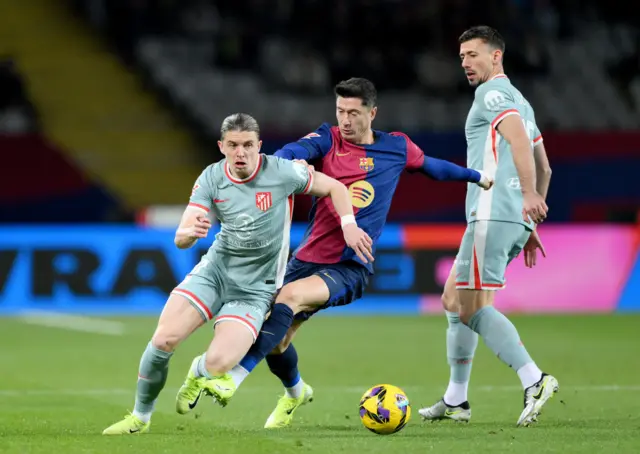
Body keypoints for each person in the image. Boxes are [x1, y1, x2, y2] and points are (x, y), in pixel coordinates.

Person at [178, 78, 494, 428]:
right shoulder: (327, 139)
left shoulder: (397, 148)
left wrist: (478, 176)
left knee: (290, 297)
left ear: (372, 113)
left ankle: (232, 377)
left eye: (354, 113)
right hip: (305, 258)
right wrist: (277, 170)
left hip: (350, 265)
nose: (345, 120)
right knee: (277, 340)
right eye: (341, 111)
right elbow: (289, 153)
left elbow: (434, 167)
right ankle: (296, 393)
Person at [102, 112, 371, 435]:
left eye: (247, 145)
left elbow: (336, 188)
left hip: (256, 290)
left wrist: (349, 225)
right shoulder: (211, 177)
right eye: (232, 145)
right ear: (221, 146)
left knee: (216, 366)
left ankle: (197, 371)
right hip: (215, 273)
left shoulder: (284, 172)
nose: (240, 152)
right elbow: (182, 236)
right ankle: (140, 418)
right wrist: (191, 232)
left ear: (259, 146)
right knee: (163, 340)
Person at [418, 26, 557, 427]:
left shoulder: (492, 93)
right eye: (461, 56)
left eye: (473, 54)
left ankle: (534, 379)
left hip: (492, 212)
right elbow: (545, 163)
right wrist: (529, 220)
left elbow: (515, 140)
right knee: (452, 300)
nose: (464, 63)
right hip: (509, 217)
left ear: (496, 56)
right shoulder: (522, 102)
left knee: (472, 307)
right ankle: (457, 398)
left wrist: (528, 197)